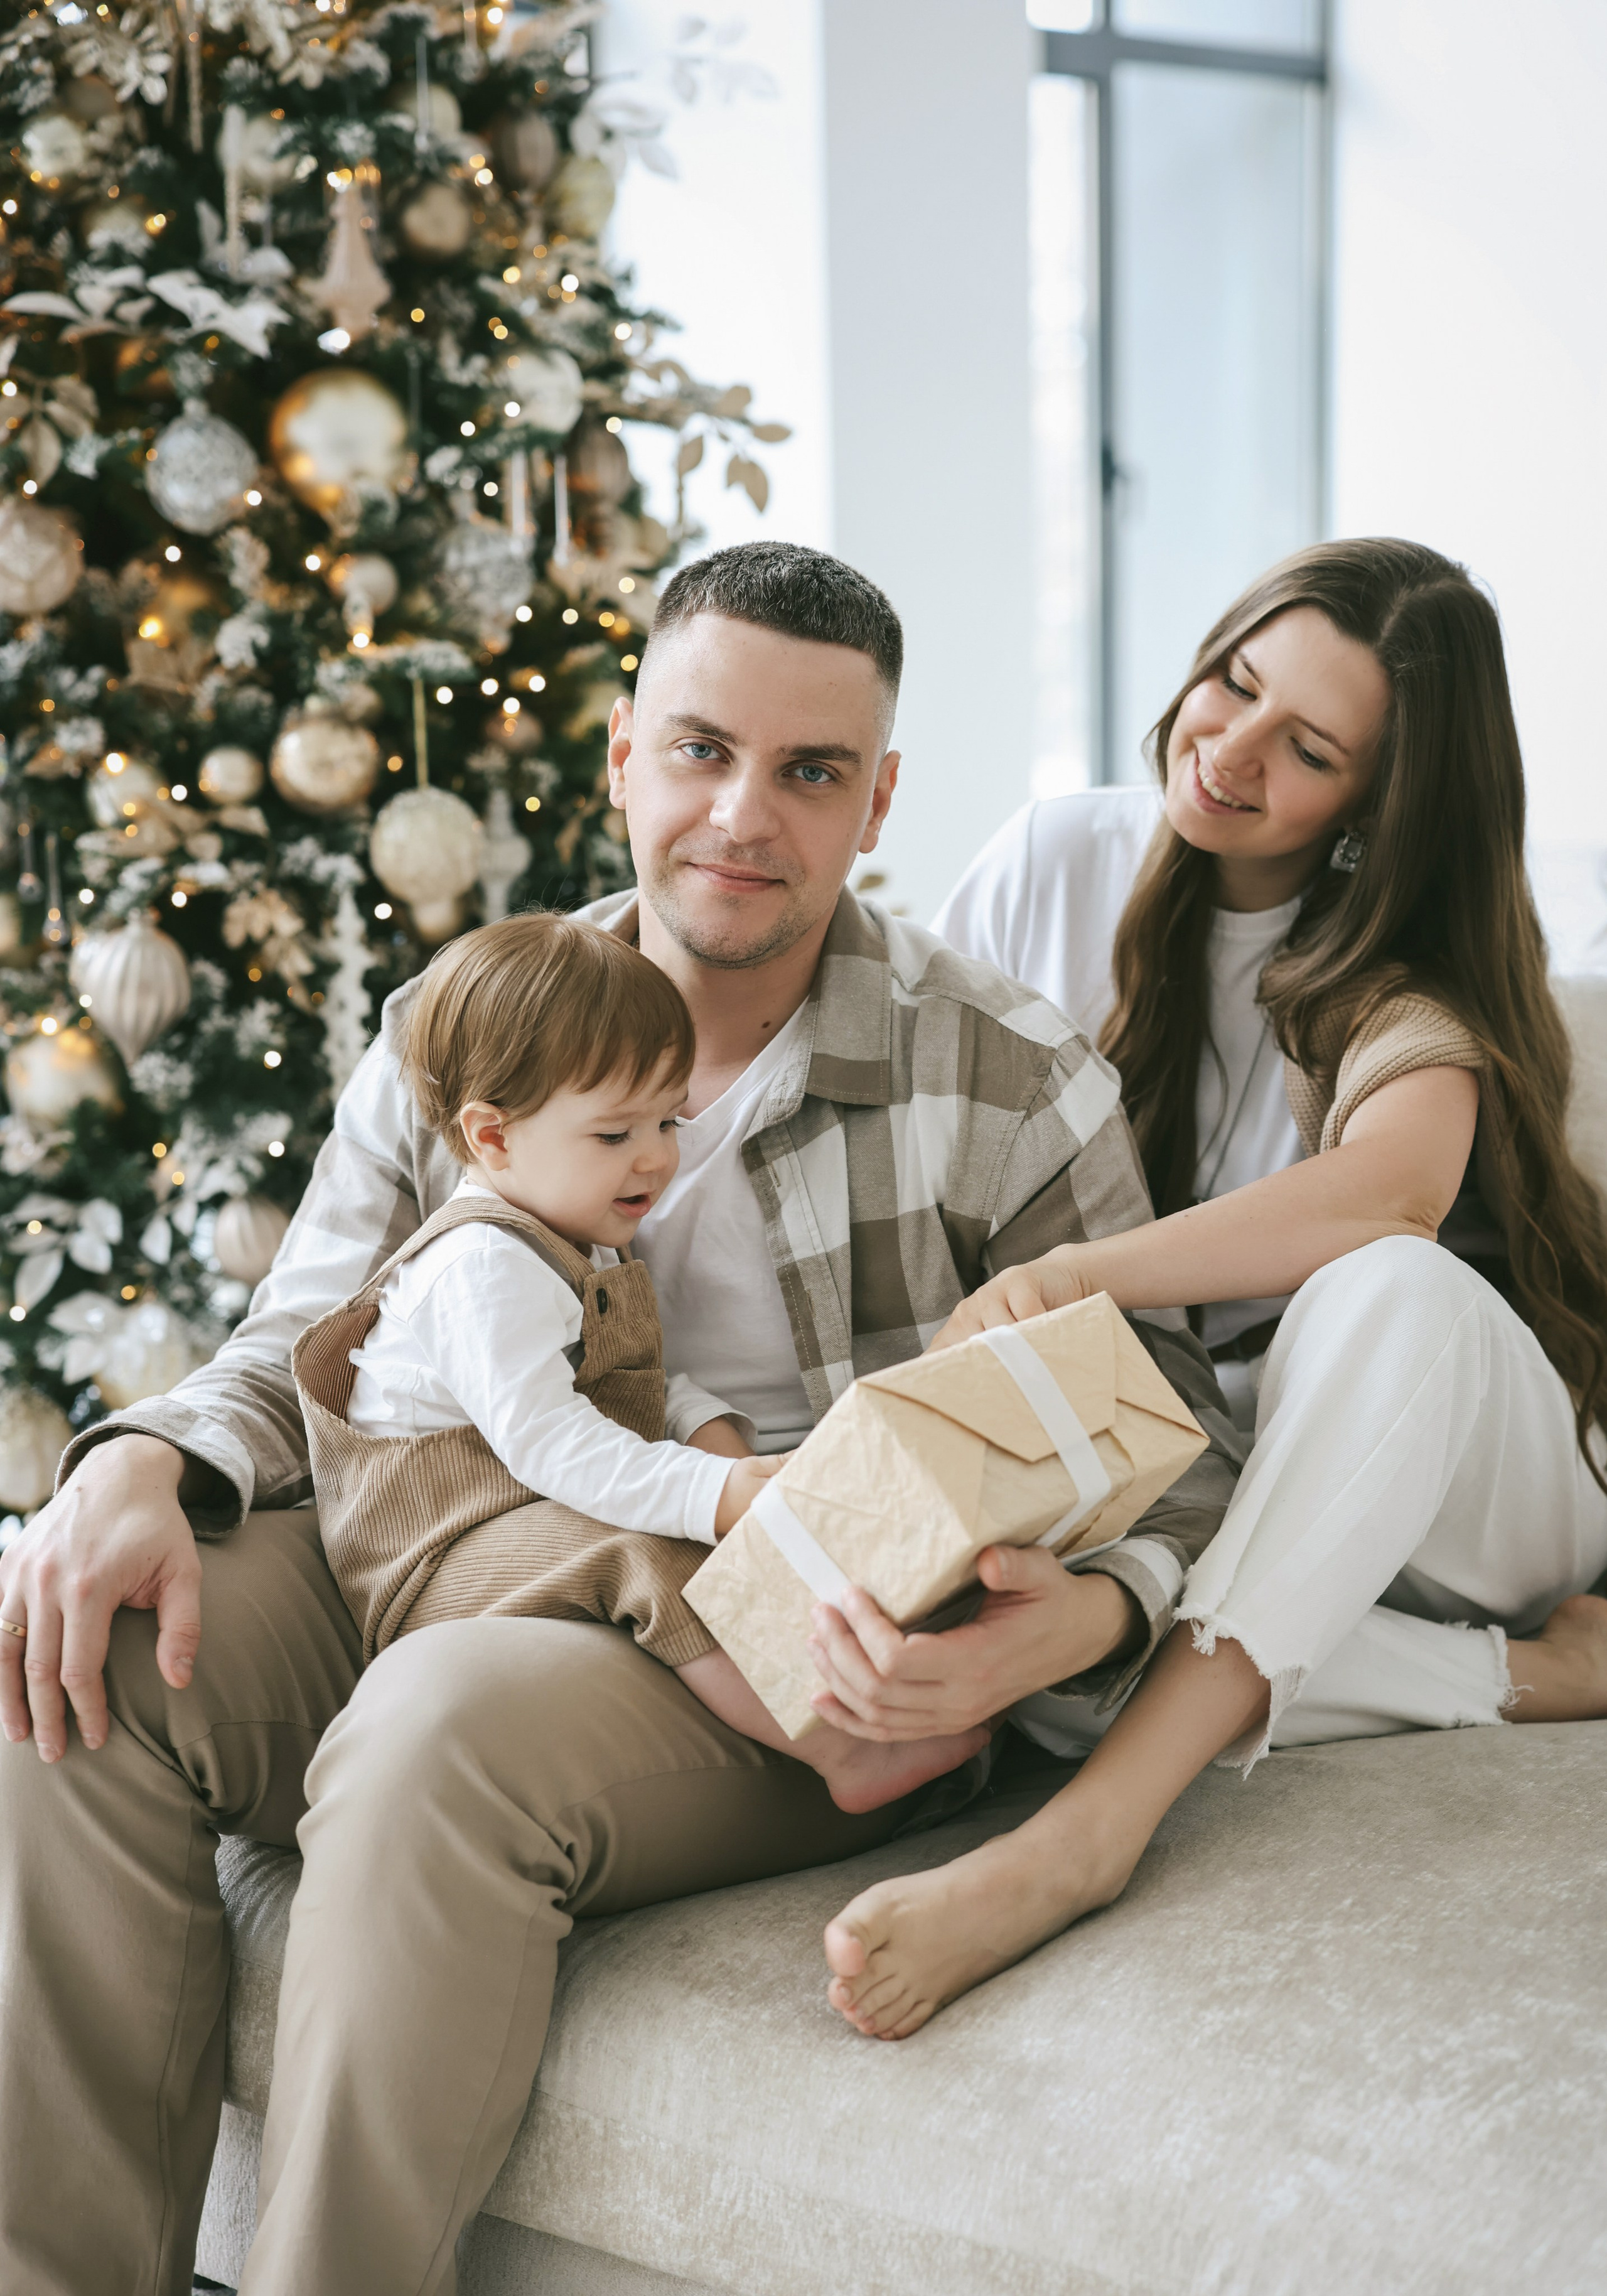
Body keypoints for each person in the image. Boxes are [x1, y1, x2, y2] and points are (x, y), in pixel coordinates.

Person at [0, 540, 1241, 2296]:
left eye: (810, 771)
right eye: (701, 750)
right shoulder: (474, 1016)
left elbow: (1177, 1428)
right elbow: (308, 1325)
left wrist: (1084, 1620)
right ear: (621, 754)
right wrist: (141, 1456)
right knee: (74, 1637)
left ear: (879, 801)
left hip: (778, 1649)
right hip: (446, 1536)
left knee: (435, 1720)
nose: (743, 815)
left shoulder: (1002, 1075)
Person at [816, 537, 1607, 2042]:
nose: (1228, 751)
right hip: (1229, 1491)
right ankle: (1516, 1677)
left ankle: (1081, 1839)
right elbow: (917, 1119)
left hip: (1474, 1484)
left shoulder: (1401, 963)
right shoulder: (1058, 859)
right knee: (1047, 1655)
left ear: (1377, 805)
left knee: (1388, 1285)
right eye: (1233, 684)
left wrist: (1072, 1268)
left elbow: (1392, 1190)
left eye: (1307, 750)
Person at [299, 905, 989, 1813]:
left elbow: (631, 1380)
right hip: (437, 1555)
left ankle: (853, 1671)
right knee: (647, 1545)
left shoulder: (577, 1233)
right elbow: (552, 1443)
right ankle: (839, 1751)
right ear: (492, 1136)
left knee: (692, 1508)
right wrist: (715, 1494)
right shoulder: (480, 1267)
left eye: (668, 1120)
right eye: (615, 1134)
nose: (658, 1159)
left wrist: (712, 1438)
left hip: (527, 1509)